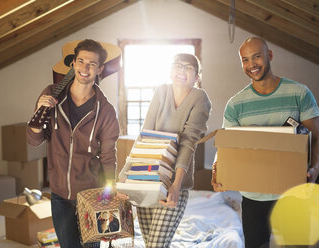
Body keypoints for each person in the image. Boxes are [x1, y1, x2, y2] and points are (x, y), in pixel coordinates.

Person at [212, 37, 319, 248]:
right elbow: (227, 147)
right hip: (254, 196)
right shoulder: (235, 104)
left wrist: (315, 168)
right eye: (245, 60)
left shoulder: (299, 93)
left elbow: (317, 137)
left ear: (269, 55)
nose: (251, 65)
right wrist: (218, 170)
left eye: (256, 57)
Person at [27, 39, 119, 248]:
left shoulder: (105, 110)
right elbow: (34, 140)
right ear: (73, 64)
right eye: (81, 61)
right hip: (59, 193)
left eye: (92, 64)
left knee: (91, 246)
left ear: (100, 69)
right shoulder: (51, 94)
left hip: (91, 193)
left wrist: (109, 193)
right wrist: (38, 114)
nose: (84, 68)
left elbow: (108, 156)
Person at [119, 53, 211, 247]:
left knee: (156, 245)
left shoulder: (200, 98)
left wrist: (176, 185)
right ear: (170, 70)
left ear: (197, 77)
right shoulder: (161, 91)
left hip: (173, 184)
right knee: (150, 243)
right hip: (146, 178)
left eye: (188, 68)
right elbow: (145, 134)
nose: (181, 71)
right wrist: (124, 174)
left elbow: (188, 143)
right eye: (178, 66)